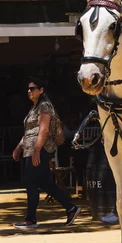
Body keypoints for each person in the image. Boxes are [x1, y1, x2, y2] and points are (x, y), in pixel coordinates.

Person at [12, 77, 81, 229]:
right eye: (28, 89)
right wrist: (18, 147)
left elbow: (43, 129)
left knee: (31, 183)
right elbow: (30, 131)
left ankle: (30, 219)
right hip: (30, 150)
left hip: (39, 150)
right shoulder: (34, 108)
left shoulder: (44, 106)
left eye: (33, 88)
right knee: (46, 184)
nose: (29, 91)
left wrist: (37, 150)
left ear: (41, 90)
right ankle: (71, 208)